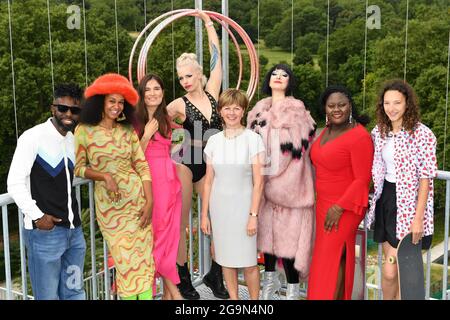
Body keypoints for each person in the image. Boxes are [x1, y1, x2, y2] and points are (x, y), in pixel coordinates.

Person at [74, 73, 155, 300]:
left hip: (137, 203)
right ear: (100, 101)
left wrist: (150, 201)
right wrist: (103, 176)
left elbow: (142, 166)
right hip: (111, 210)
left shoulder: (126, 129)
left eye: (121, 102)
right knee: (125, 261)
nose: (117, 107)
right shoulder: (84, 130)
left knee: (143, 258)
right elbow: (78, 168)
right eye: (112, 101)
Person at [166, 9, 228, 300]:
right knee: (182, 222)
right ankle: (181, 278)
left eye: (189, 75)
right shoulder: (178, 104)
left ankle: (215, 275)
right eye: (180, 78)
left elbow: (218, 58)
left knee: (218, 220)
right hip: (186, 163)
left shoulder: (214, 92)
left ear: (200, 74)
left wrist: (208, 25)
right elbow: (156, 122)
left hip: (211, 165)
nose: (185, 81)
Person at [7, 84, 86, 300]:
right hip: (45, 234)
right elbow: (14, 182)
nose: (69, 114)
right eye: (63, 108)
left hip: (74, 234)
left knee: (74, 292)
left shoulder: (72, 140)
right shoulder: (32, 137)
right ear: (53, 108)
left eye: (75, 110)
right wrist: (38, 216)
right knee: (48, 297)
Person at [247, 64, 316, 300]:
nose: (278, 77)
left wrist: (268, 176)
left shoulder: (298, 112)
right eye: (274, 74)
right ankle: (269, 285)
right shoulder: (257, 112)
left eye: (284, 74)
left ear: (290, 81)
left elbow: (294, 151)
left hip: (289, 189)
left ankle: (292, 291)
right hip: (262, 188)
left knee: (288, 246)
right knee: (267, 242)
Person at [367, 79, 437, 300]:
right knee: (389, 274)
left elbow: (426, 179)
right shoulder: (379, 132)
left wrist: (418, 219)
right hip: (386, 201)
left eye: (397, 102)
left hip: (409, 205)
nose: (392, 108)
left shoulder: (423, 134)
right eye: (387, 103)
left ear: (407, 103)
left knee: (400, 272)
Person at [307, 85, 373, 300]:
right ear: (325, 108)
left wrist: (339, 207)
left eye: (342, 105)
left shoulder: (359, 136)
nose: (337, 109)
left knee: (332, 258)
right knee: (329, 259)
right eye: (331, 105)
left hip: (345, 206)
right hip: (324, 204)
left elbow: (362, 179)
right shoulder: (326, 131)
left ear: (350, 106)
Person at [201, 89, 265, 300]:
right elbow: (209, 181)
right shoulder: (213, 141)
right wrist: (204, 215)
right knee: (226, 259)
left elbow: (259, 182)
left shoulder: (253, 139)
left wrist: (253, 216)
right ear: (220, 111)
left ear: (243, 111)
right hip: (220, 211)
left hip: (245, 209)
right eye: (227, 108)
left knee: (249, 263)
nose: (231, 112)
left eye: (236, 108)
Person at [134, 73, 183, 300]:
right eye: (148, 89)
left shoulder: (166, 119)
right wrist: (146, 135)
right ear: (142, 94)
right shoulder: (135, 121)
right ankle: (174, 294)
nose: (153, 93)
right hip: (150, 185)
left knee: (168, 238)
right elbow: (133, 159)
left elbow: (168, 149)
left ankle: (168, 296)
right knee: (156, 239)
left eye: (157, 89)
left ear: (162, 93)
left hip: (170, 183)